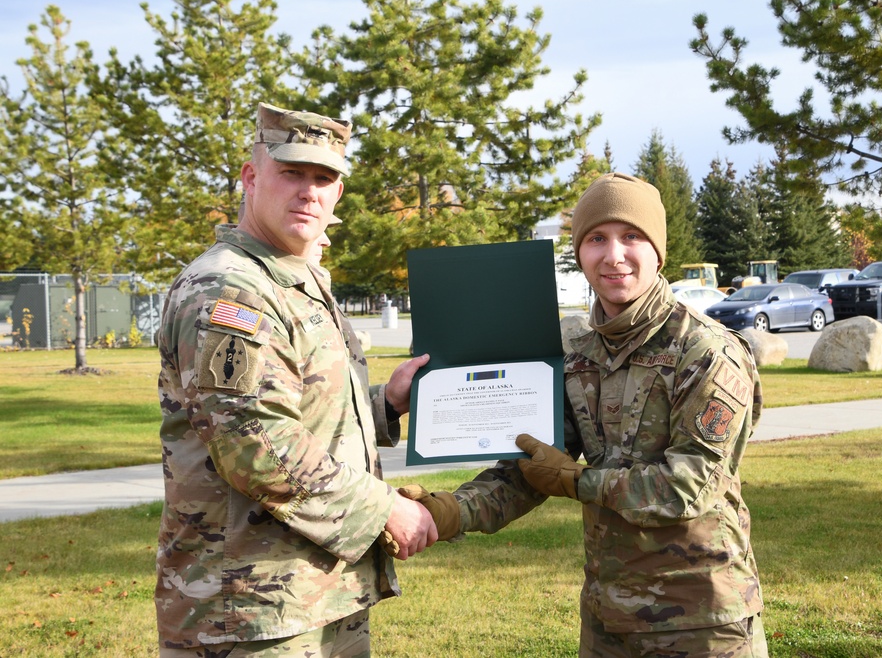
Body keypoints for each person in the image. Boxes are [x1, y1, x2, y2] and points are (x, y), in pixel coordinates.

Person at [406, 172, 768, 657]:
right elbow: (531, 468)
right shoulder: (577, 354)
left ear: (658, 252)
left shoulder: (706, 351)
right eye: (596, 238)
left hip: (703, 620)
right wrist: (447, 512)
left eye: (631, 237)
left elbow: (690, 485)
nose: (613, 255)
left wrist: (577, 482)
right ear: (579, 253)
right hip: (606, 619)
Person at [155, 102, 436, 657]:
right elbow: (257, 445)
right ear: (251, 176)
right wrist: (384, 509)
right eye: (293, 173)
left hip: (314, 596)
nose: (309, 191)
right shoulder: (230, 290)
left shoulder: (293, 279)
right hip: (248, 611)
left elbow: (295, 409)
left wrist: (387, 404)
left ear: (337, 194)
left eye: (324, 178)